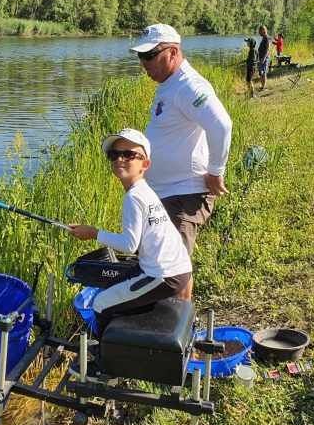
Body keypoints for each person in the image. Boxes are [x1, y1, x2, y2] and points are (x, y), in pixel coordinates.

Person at [129, 23, 232, 300]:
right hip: (165, 193)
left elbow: (221, 125)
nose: (144, 63)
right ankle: (168, 329)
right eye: (141, 56)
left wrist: (215, 172)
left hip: (184, 193)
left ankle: (176, 335)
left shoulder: (189, 85)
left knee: (173, 271)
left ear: (173, 52)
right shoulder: (169, 84)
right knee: (163, 265)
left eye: (150, 56)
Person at [69, 129, 192, 335]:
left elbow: (129, 245)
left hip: (163, 275)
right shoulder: (144, 190)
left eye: (128, 155)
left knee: (100, 303)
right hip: (176, 270)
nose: (120, 159)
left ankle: (102, 357)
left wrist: (93, 233)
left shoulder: (134, 197)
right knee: (116, 285)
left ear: (145, 164)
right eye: (114, 154)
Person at [256, 25, 271, 90]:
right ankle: (262, 86)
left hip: (264, 58)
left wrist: (263, 59)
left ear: (263, 30)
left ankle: (263, 87)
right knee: (261, 72)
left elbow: (267, 49)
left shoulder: (267, 38)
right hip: (261, 58)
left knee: (264, 72)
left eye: (259, 31)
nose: (259, 33)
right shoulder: (264, 38)